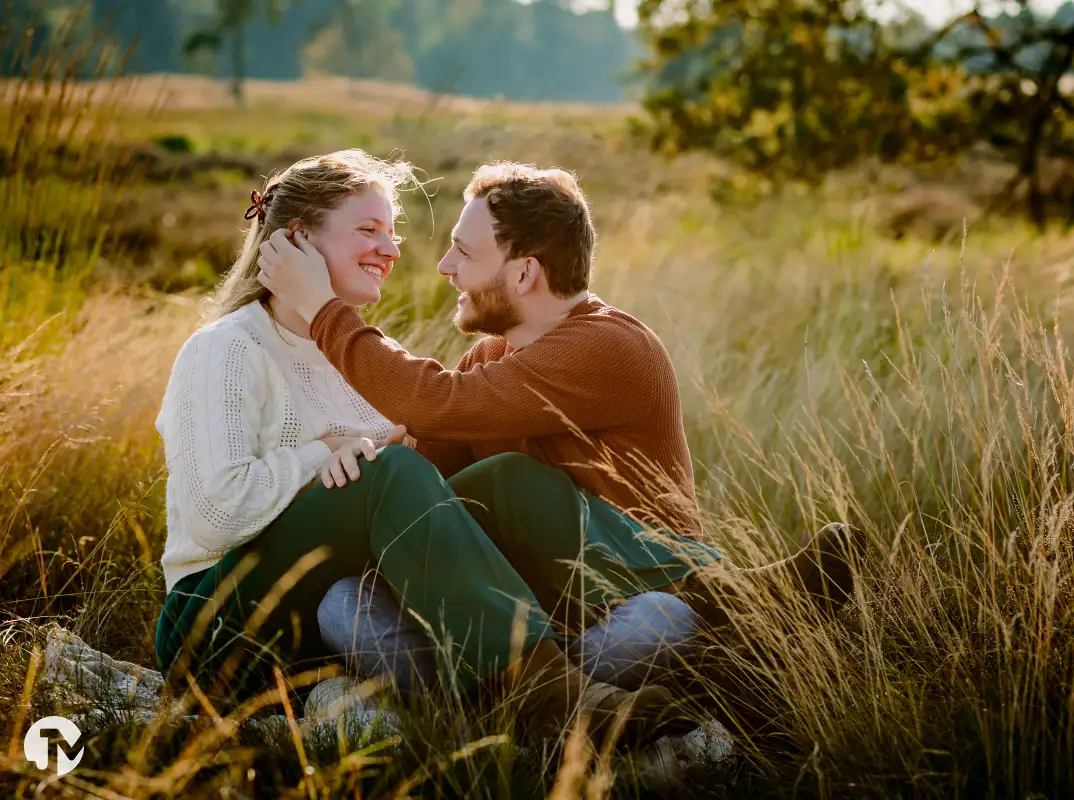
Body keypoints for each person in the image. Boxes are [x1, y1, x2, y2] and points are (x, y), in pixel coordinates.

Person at [152, 150, 699, 749]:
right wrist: (324, 453)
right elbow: (213, 514)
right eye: (368, 230)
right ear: (297, 242)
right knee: (389, 472)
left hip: (328, 620)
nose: (391, 250)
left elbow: (423, 488)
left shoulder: (364, 352)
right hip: (220, 625)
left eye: (392, 233)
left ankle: (668, 629)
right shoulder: (227, 349)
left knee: (505, 477)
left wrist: (382, 454)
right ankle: (549, 696)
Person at [257, 162, 864, 679]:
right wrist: (356, 452)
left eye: (464, 252)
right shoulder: (491, 358)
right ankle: (527, 687)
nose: (444, 267)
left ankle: (731, 603)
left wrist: (324, 312)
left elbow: (436, 401)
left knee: (524, 491)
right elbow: (427, 468)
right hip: (522, 609)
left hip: (628, 606)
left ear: (524, 272)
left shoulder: (609, 347)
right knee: (348, 605)